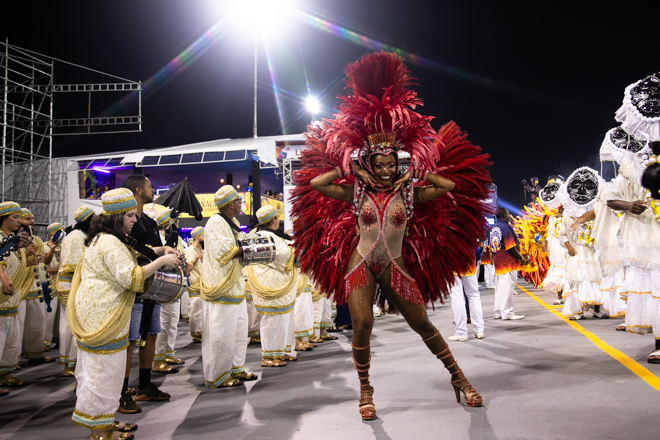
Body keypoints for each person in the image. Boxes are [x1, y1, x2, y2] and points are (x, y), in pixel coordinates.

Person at [293, 53, 491, 420]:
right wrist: (347, 167)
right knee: (363, 324)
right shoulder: (356, 193)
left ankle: (460, 379)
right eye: (379, 165)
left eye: (391, 165)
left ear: (398, 164)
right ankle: (366, 390)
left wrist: (418, 170)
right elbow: (318, 184)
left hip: (395, 265)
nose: (385, 171)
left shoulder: (409, 194)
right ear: (370, 165)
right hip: (362, 264)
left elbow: (447, 185)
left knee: (423, 325)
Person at [67, 188, 181, 440]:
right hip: (103, 315)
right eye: (130, 215)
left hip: (103, 313)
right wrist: (162, 263)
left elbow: (135, 253)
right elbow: (131, 277)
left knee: (108, 370)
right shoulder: (109, 242)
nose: (134, 220)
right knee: (103, 372)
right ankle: (99, 430)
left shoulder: (109, 238)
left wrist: (158, 252)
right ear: (116, 217)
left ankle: (105, 420)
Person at [120, 175, 176, 413]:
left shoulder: (150, 223)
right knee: (129, 341)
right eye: (150, 186)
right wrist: (160, 255)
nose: (153, 189)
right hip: (134, 290)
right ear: (137, 190)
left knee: (150, 335)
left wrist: (165, 251)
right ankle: (121, 392)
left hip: (151, 289)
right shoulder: (122, 223)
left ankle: (143, 385)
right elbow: (131, 250)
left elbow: (146, 250)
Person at [200, 185, 256, 387]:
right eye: (239, 201)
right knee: (221, 333)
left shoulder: (231, 222)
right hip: (221, 287)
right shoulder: (215, 222)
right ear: (231, 203)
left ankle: (235, 368)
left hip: (235, 287)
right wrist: (251, 247)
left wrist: (249, 246)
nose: (242, 204)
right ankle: (218, 375)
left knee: (239, 331)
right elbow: (224, 251)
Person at [247, 205, 298, 366]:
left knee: (282, 320)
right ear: (274, 220)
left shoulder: (262, 234)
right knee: (272, 321)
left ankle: (281, 351)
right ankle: (269, 356)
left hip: (276, 284)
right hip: (271, 286)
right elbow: (283, 255)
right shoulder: (266, 236)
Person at [56, 206, 95, 377]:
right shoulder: (74, 237)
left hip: (78, 282)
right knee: (70, 323)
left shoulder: (82, 236)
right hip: (72, 283)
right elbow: (71, 266)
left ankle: (73, 362)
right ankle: (69, 364)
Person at [0, 202, 31, 393]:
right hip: (2, 296)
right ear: (4, 218)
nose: (19, 221)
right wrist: (3, 279)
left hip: (11, 298)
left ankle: (5, 374)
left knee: (11, 340)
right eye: (16, 217)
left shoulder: (10, 239)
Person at [18, 208, 55, 363]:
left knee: (37, 322)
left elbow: (44, 262)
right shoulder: (13, 240)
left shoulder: (37, 240)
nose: (32, 221)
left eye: (32, 218)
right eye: (28, 219)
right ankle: (11, 361)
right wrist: (26, 253)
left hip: (35, 287)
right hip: (18, 288)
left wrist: (51, 250)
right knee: (18, 327)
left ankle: (36, 354)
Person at [488, 208, 525, 320]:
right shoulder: (506, 227)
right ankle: (507, 312)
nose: (509, 216)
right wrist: (520, 256)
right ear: (504, 215)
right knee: (506, 287)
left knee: (500, 287)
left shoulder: (494, 227)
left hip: (498, 259)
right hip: (506, 261)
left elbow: (491, 247)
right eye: (508, 214)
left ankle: (498, 311)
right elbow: (510, 246)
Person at [448, 250, 485, 341]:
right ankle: (479, 330)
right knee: (473, 295)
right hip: (469, 256)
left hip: (452, 256)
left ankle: (461, 332)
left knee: (457, 296)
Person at [44, 222, 65, 350]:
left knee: (60, 317)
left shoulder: (63, 247)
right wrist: (60, 270)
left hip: (61, 285)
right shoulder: (45, 247)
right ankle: (45, 342)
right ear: (52, 233)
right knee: (49, 316)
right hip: (50, 284)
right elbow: (44, 268)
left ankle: (58, 339)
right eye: (59, 231)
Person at [184, 226, 204, 343]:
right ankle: (196, 333)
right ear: (197, 237)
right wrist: (196, 259)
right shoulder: (190, 251)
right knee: (196, 309)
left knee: (203, 309)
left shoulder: (203, 251)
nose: (204, 238)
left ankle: (203, 332)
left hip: (204, 284)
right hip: (195, 283)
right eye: (203, 235)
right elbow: (187, 270)